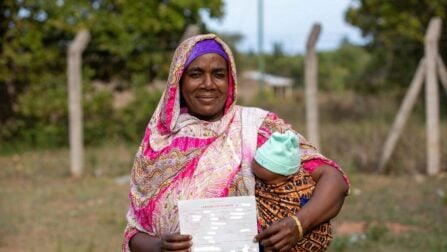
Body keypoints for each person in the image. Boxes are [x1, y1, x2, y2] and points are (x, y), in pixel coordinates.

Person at [123, 34, 349, 252]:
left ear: (230, 81)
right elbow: (134, 233)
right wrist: (159, 247)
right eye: (196, 74)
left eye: (219, 74)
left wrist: (298, 224)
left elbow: (333, 178)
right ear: (178, 81)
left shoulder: (256, 127)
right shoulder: (158, 143)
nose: (208, 84)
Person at [252, 130, 333, 251]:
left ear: (287, 177)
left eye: (265, 181)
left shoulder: (298, 192)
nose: (259, 184)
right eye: (256, 177)